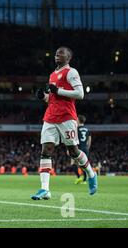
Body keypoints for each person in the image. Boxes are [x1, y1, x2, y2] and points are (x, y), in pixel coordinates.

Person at [32, 47, 98, 200]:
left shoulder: (72, 72)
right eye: (56, 53)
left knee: (73, 151)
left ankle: (91, 173)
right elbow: (52, 97)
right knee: (46, 150)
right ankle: (44, 189)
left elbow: (80, 94)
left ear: (68, 57)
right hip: (50, 117)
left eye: (60, 53)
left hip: (67, 117)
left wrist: (58, 91)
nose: (57, 55)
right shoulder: (53, 74)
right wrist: (43, 96)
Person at [74, 114, 91, 184]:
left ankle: (79, 177)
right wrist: (87, 148)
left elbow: (74, 139)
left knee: (74, 163)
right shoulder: (87, 130)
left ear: (78, 120)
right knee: (83, 164)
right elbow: (89, 141)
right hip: (85, 148)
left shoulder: (76, 129)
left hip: (78, 148)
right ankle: (84, 179)